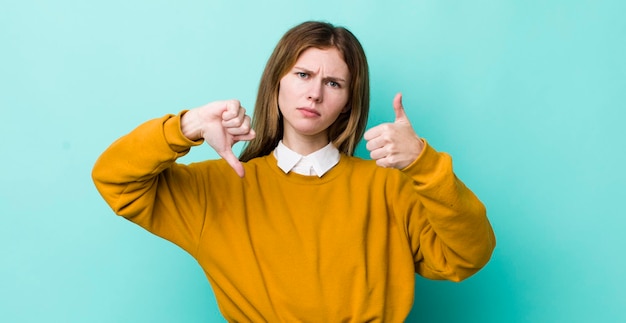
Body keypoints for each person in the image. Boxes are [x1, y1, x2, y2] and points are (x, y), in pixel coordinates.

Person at [92, 21, 495, 322]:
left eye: (334, 83)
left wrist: (422, 162)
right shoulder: (219, 188)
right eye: (303, 75)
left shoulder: (390, 188)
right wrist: (187, 125)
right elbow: (114, 178)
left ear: (349, 103)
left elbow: (468, 255)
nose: (315, 92)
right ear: (277, 83)